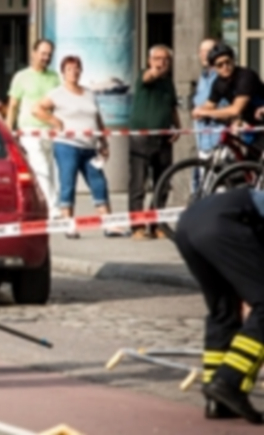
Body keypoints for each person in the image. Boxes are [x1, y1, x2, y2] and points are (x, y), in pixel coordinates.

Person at [174, 188, 264, 425]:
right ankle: (229, 381)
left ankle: (218, 402)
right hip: (224, 225)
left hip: (188, 224)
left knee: (223, 310)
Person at [33, 55, 125, 239]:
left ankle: (108, 225)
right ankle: (69, 225)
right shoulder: (57, 93)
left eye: (76, 68)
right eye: (69, 69)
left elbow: (97, 118)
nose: (73, 72)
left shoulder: (89, 93)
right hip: (67, 146)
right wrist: (55, 121)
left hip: (89, 147)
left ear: (81, 71)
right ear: (63, 72)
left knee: (99, 183)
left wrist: (104, 142)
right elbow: (36, 109)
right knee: (68, 184)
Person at [127, 45, 181, 240]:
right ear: (149, 61)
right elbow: (148, 77)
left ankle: (156, 224)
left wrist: (177, 127)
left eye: (166, 59)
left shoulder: (169, 83)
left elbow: (172, 108)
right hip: (141, 138)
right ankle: (137, 227)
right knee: (138, 183)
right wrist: (154, 71)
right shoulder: (145, 76)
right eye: (157, 58)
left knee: (163, 183)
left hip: (163, 138)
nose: (162, 62)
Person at [6, 39, 61, 218]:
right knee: (41, 168)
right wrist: (8, 132)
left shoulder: (54, 77)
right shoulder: (21, 77)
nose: (46, 58)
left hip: (51, 131)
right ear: (33, 53)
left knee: (52, 170)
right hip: (29, 131)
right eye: (43, 54)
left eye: (49, 55)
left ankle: (47, 205)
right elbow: (13, 106)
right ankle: (52, 209)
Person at [193, 43, 264, 148]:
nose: (225, 67)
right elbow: (209, 105)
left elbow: (236, 110)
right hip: (252, 123)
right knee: (248, 162)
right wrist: (198, 111)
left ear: (233, 61)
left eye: (227, 62)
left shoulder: (245, 76)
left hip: (261, 120)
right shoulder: (218, 83)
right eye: (219, 65)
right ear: (214, 68)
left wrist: (206, 112)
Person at [191, 38, 228, 191]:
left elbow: (227, 107)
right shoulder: (202, 78)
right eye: (203, 51)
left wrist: (205, 112)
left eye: (210, 50)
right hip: (202, 141)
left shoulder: (222, 77)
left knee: (218, 186)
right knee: (200, 185)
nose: (205, 55)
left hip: (219, 140)